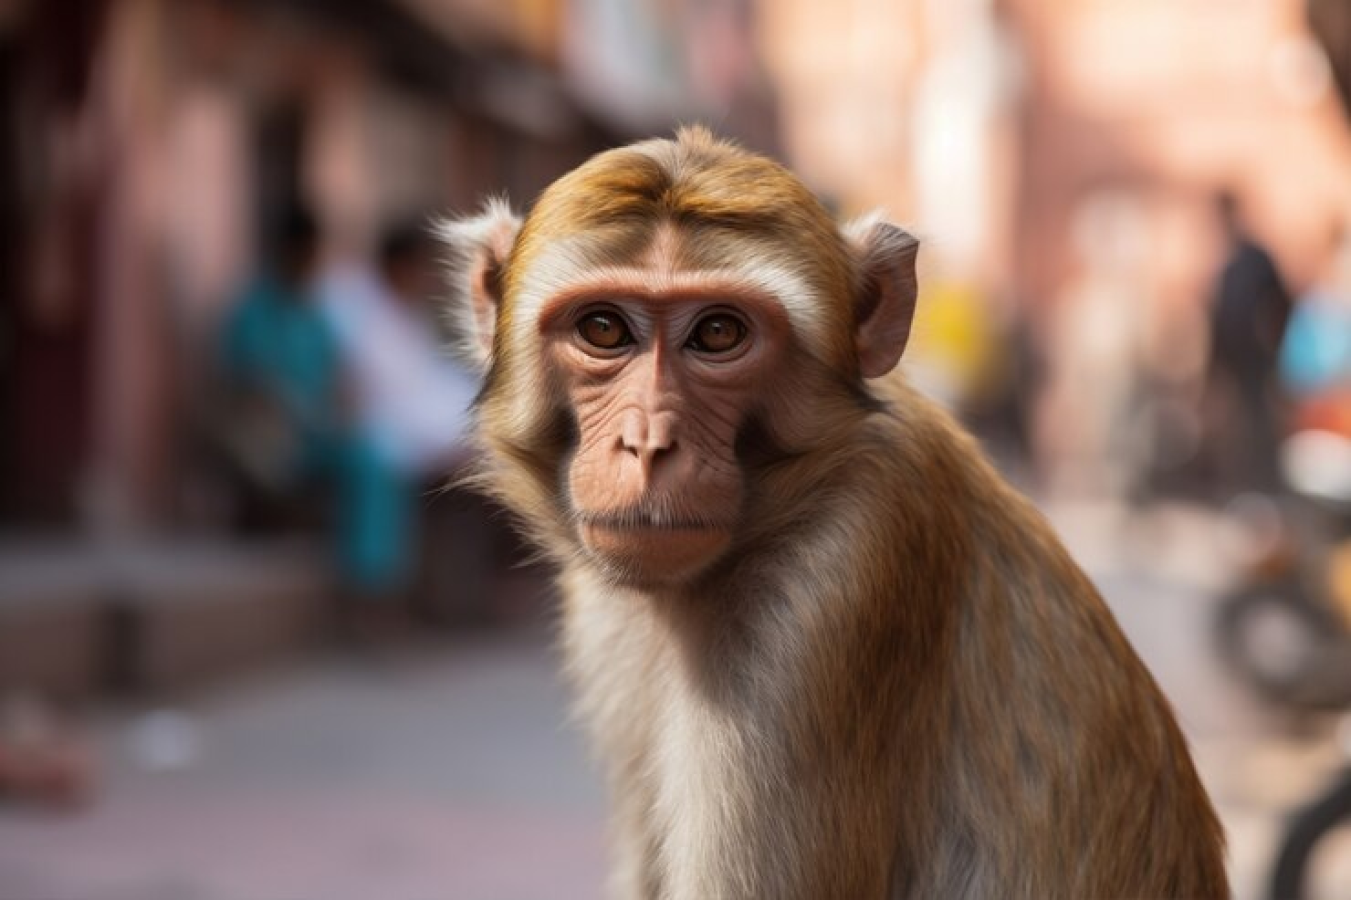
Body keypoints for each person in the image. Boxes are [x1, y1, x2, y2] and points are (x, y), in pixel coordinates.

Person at [218, 207, 408, 603]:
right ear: (286, 251)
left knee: (375, 456)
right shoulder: (253, 311)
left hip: (314, 436)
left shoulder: (315, 316)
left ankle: (372, 583)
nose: (310, 264)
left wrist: (342, 409)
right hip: (267, 439)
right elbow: (247, 387)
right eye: (304, 254)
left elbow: (336, 380)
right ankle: (365, 587)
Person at [1206, 190, 1293, 494]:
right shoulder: (1226, 264)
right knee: (1236, 429)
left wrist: (1272, 340)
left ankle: (1268, 488)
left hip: (1257, 361)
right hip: (1233, 364)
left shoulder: (1256, 259)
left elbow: (1281, 302)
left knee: (1260, 425)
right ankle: (1244, 489)